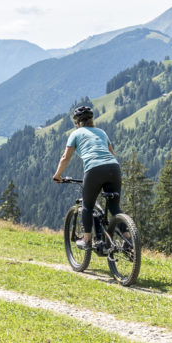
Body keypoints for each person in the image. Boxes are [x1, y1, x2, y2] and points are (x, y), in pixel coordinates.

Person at [52, 104, 121, 250]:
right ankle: (129, 241)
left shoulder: (76, 134)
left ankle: (87, 240)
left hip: (94, 170)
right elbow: (111, 153)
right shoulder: (101, 132)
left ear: (77, 122)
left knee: (88, 207)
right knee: (115, 208)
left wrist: (57, 175)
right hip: (114, 168)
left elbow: (65, 157)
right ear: (91, 120)